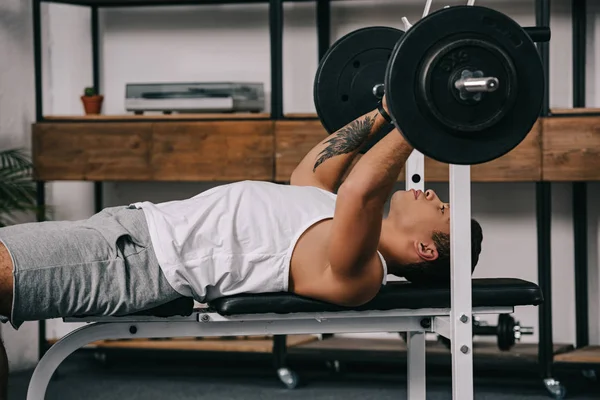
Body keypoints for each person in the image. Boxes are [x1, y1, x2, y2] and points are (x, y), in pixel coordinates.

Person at [0, 98, 483, 398]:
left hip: (133, 262)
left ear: (425, 249)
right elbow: (317, 165)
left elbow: (362, 192)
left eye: (442, 211)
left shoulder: (362, 273)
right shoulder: (328, 208)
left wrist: (421, 119)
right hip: (130, 233)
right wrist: (388, 110)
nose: (435, 196)